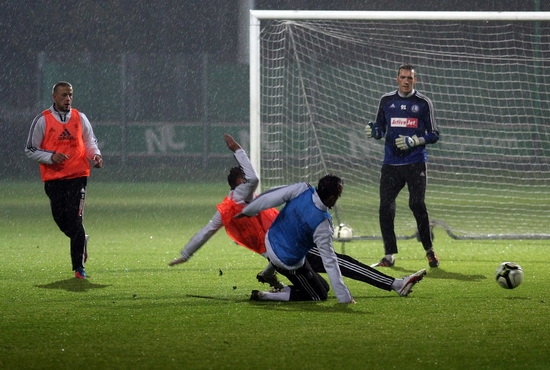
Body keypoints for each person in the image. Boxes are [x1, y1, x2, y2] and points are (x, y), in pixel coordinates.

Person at [169, 135, 427, 299]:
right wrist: (238, 150)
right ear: (239, 182)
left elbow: (206, 231)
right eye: (245, 183)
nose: (252, 187)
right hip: (287, 248)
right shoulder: (243, 192)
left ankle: (270, 285)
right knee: (338, 264)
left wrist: (186, 254)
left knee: (317, 290)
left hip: (275, 251)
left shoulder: (226, 208)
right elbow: (255, 178)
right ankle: (395, 284)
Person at [236, 175, 427, 303]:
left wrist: (247, 211)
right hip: (286, 260)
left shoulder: (302, 189)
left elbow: (270, 198)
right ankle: (268, 295)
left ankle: (396, 284)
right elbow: (330, 263)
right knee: (319, 294)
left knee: (342, 263)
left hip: (274, 243)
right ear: (331, 197)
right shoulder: (322, 224)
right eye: (339, 195)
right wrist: (344, 296)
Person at [25, 81, 103, 279]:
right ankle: (81, 240)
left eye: (70, 95)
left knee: (75, 219)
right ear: (54, 97)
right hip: (54, 178)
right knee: (61, 219)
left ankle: (79, 268)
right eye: (63, 95)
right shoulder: (42, 120)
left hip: (78, 176)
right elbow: (30, 149)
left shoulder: (80, 117)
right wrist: (51, 156)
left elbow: (89, 141)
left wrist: (95, 155)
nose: (68, 99)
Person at [366, 64, 440, 268]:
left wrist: (415, 141)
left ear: (415, 80)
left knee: (416, 204)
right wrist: (375, 132)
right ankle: (389, 255)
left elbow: (434, 134)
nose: (406, 81)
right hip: (391, 163)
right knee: (385, 207)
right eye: (403, 77)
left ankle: (429, 250)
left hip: (416, 162)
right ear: (397, 78)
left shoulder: (423, 103)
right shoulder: (386, 100)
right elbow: (380, 128)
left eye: (410, 78)